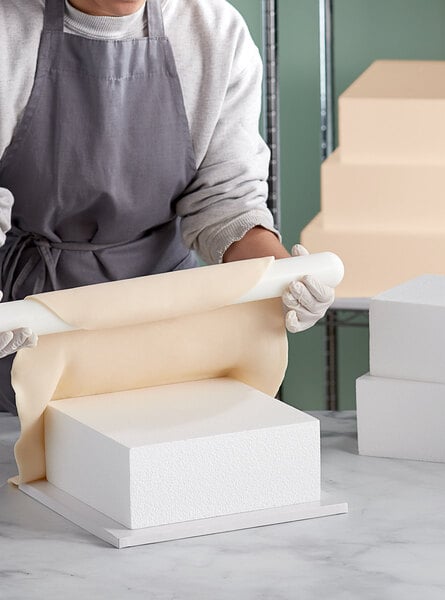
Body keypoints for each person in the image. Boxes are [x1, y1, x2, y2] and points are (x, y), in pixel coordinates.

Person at [0, 0, 333, 414]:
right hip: (28, 330)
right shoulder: (8, 31)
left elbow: (225, 204)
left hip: (164, 329)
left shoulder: (214, 32)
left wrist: (282, 280)